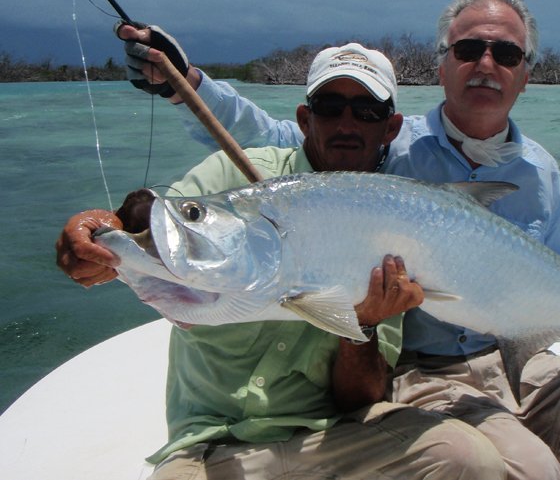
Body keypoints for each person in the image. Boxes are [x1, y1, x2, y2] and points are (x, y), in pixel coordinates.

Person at [112, 0, 560, 479]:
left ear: (525, 74)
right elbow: (280, 154)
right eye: (468, 49)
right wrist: (185, 81)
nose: (486, 64)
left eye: (506, 53)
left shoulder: (543, 174)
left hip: (524, 355)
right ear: (442, 65)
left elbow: (558, 282)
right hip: (426, 369)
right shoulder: (382, 148)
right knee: (527, 469)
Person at [56, 44, 506, 480]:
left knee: (470, 460)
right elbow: (157, 220)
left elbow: (361, 397)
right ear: (305, 119)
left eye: (367, 110)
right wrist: (99, 232)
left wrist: (363, 323)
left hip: (332, 439)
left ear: (389, 128)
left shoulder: (393, 221)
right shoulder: (236, 176)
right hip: (213, 445)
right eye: (330, 106)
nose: (347, 122)